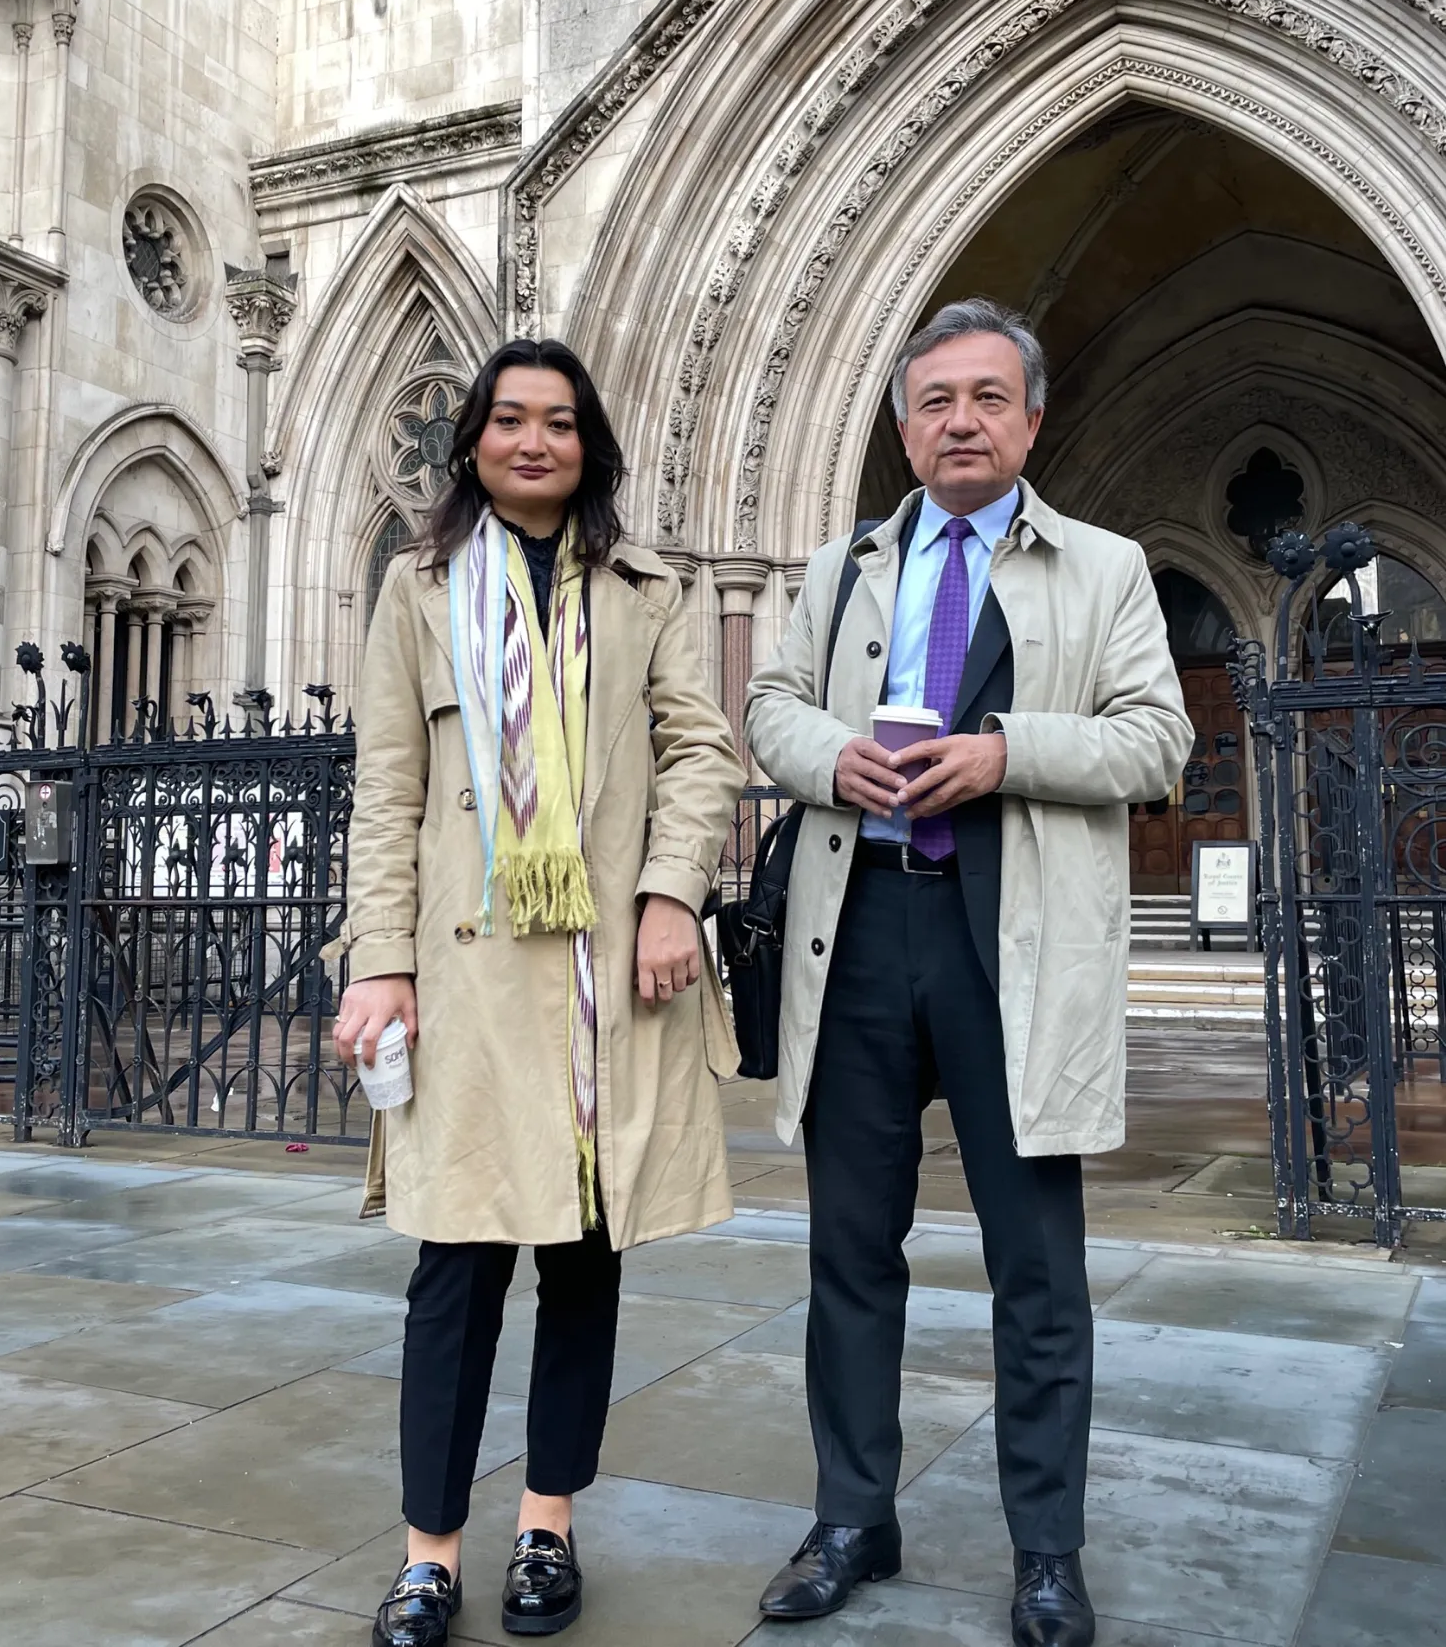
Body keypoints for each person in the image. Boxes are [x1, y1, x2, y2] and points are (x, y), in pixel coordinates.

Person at [742, 299, 1192, 1647]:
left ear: (1032, 419)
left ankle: (1045, 1551)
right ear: (901, 425)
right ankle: (850, 1518)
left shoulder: (1103, 568)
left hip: (1014, 942)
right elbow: (767, 705)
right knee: (849, 1254)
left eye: (988, 398)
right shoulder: (837, 570)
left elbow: (1157, 743)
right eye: (935, 400)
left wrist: (1008, 755)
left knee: (1037, 1270)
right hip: (864, 926)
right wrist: (831, 758)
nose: (960, 422)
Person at [336, 337, 745, 1647]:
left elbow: (700, 752)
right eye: (507, 420)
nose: (532, 441)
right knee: (453, 1275)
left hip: (602, 989)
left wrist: (672, 892)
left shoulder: (646, 594)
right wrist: (378, 963)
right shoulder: (416, 593)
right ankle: (429, 1557)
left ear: (591, 447)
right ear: (471, 444)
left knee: (582, 1270)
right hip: (462, 984)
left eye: (558, 422)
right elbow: (386, 792)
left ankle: (548, 1530)